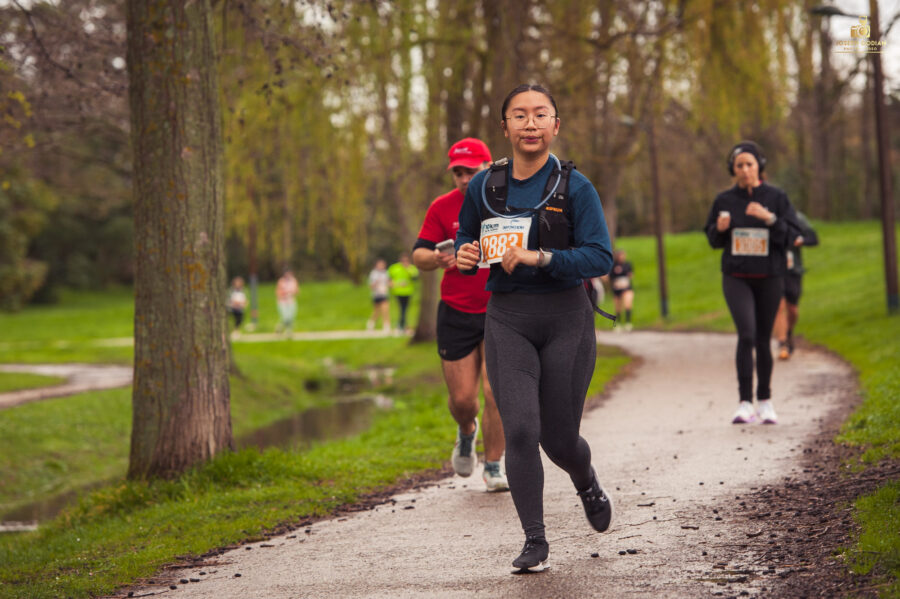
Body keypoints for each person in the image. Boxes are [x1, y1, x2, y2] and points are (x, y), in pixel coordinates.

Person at [456, 84, 615, 572]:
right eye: (519, 115)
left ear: (555, 126)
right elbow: (468, 238)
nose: (530, 123)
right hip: (508, 319)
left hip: (566, 318)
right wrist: (465, 257)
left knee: (560, 440)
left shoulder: (575, 187)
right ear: (504, 126)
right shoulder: (484, 186)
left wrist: (541, 256)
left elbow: (600, 256)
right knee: (522, 430)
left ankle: (585, 480)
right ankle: (535, 541)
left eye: (540, 114)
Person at [411, 137, 508, 492]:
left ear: (487, 167)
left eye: (472, 170)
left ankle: (494, 466)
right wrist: (437, 258)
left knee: (495, 391)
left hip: (499, 307)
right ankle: (467, 431)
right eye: (459, 172)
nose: (466, 178)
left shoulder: (505, 201)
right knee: (464, 399)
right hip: (456, 310)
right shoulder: (442, 207)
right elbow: (418, 254)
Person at [705, 141, 800, 426]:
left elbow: (792, 235)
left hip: (770, 276)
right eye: (739, 166)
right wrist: (718, 229)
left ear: (759, 166)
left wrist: (769, 218)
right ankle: (745, 403)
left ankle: (766, 401)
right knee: (746, 334)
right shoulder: (724, 200)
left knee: (762, 339)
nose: (745, 170)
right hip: (736, 277)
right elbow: (712, 240)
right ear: (733, 170)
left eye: (750, 164)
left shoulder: (776, 197)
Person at [773, 211, 818, 360]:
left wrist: (801, 241)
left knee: (792, 310)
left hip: (793, 270)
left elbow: (813, 238)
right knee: (778, 306)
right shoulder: (765, 216)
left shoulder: (796, 217)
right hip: (773, 270)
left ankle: (788, 331)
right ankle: (783, 343)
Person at [387, 253, 418, 333]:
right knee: (402, 308)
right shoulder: (394, 268)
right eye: (403, 260)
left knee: (404, 308)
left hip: (408, 292)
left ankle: (401, 324)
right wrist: (393, 284)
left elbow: (415, 277)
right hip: (398, 291)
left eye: (406, 261)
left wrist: (408, 269)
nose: (405, 262)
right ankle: (402, 325)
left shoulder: (411, 268)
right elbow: (389, 279)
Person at [610, 249, 634, 331]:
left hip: (626, 287)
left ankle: (628, 323)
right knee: (618, 307)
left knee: (628, 304)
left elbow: (631, 274)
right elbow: (610, 277)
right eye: (621, 255)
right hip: (617, 288)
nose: (622, 257)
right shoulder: (613, 266)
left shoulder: (627, 264)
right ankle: (619, 324)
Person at [366, 259, 391, 332]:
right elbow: (371, 286)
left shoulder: (386, 273)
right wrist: (376, 282)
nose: (381, 266)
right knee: (376, 311)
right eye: (380, 264)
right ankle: (371, 324)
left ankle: (386, 326)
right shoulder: (373, 273)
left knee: (385, 310)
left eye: (383, 265)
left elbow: (389, 282)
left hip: (384, 294)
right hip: (376, 295)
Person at [275, 269, 299, 335]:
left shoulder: (293, 281)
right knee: (285, 317)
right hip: (283, 302)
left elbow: (297, 291)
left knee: (291, 317)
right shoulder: (281, 281)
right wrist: (284, 294)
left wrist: (292, 292)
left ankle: (288, 331)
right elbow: (278, 292)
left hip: (291, 301)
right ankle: (280, 327)